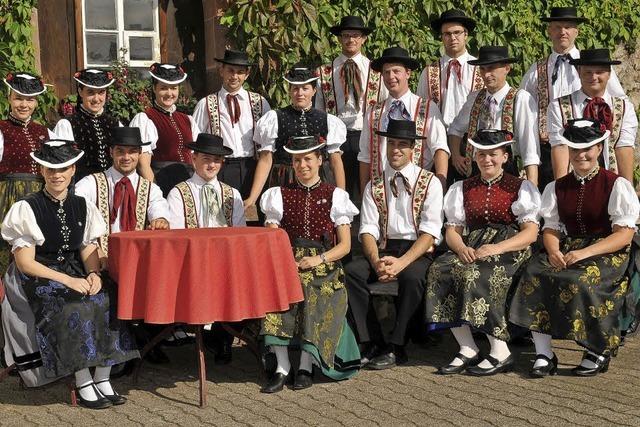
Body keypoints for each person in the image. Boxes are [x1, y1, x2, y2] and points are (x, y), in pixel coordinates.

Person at [0, 140, 139, 409]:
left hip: (73, 270)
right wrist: (68, 280)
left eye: (63, 168)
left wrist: (95, 274)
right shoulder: (27, 208)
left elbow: (88, 247)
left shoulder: (83, 205)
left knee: (110, 297)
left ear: (73, 169)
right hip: (38, 276)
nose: (57, 175)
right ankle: (83, 379)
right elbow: (25, 262)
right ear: (41, 171)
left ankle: (103, 376)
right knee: (73, 305)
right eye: (50, 169)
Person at [509, 119, 640, 377]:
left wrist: (584, 253)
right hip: (569, 247)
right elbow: (551, 228)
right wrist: (554, 251)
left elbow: (624, 235)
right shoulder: (556, 187)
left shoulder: (616, 184)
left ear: (599, 149)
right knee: (534, 273)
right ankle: (544, 353)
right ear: (568, 151)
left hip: (607, 250)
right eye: (575, 149)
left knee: (581, 280)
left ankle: (597, 349)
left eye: (587, 148)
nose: (581, 154)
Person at [425, 129, 540, 376]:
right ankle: (467, 348)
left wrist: (497, 248)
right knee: (440, 270)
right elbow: (452, 231)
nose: (487, 159)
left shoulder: (521, 187)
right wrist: (461, 248)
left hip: (511, 248)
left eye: (493, 154)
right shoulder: (461, 188)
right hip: (473, 246)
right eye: (481, 154)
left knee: (477, 274)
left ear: (505, 157)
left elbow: (530, 233)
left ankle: (501, 351)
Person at [258, 135, 360, 393]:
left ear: (320, 160)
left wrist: (318, 259)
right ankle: (283, 367)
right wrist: (285, 260)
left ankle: (305, 364)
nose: (302, 165)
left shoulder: (335, 196)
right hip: (286, 258)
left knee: (311, 289)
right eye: (297, 160)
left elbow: (345, 246)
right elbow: (271, 237)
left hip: (323, 262)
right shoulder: (278, 195)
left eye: (307, 159)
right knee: (274, 289)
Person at [346, 119, 444, 370]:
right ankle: (372, 340)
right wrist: (375, 261)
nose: (396, 149)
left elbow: (430, 232)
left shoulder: (430, 182)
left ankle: (397, 345)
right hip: (383, 249)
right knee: (353, 272)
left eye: (402, 144)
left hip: (417, 251)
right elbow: (367, 229)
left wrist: (400, 264)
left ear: (413, 149)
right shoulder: (374, 185)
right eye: (392, 143)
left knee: (413, 277)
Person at [75, 127, 172, 363]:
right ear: (111, 152)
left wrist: (160, 219)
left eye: (132, 152)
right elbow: (77, 209)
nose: (126, 157)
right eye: (120, 151)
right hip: (102, 262)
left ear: (139, 154)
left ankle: (147, 340)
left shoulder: (150, 189)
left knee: (163, 282)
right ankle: (119, 350)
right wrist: (96, 255)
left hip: (137, 265)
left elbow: (159, 207)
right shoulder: (91, 183)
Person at [520, 6, 627, 190]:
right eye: (557, 27)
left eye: (568, 27)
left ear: (576, 31)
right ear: (549, 31)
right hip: (551, 150)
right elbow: (524, 107)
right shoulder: (535, 71)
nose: (563, 32)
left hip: (590, 148)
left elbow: (618, 101)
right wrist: (539, 129)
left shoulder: (592, 66)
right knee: (556, 201)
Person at [166, 133, 246, 364]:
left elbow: (239, 235)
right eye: (206, 158)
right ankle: (209, 334)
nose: (211, 164)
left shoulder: (232, 194)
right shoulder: (179, 193)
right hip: (192, 264)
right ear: (194, 159)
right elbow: (176, 238)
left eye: (217, 160)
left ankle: (223, 336)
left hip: (226, 262)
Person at [251, 67, 347, 209]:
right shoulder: (274, 118)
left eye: (305, 88)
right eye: (295, 88)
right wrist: (252, 198)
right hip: (285, 179)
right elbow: (265, 159)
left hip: (319, 178)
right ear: (289, 90)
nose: (300, 93)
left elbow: (335, 161)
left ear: (314, 91)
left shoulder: (328, 121)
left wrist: (342, 196)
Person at [315, 15, 387, 201]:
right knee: (338, 190)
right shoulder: (324, 72)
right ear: (339, 38)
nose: (351, 40)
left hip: (366, 134)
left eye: (356, 35)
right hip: (336, 137)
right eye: (346, 35)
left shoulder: (376, 71)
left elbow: (384, 104)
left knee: (367, 189)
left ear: (363, 39)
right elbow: (320, 108)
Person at [358, 47, 449, 190]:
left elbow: (440, 148)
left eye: (396, 71)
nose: (390, 77)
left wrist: (440, 187)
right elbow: (365, 156)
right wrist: (364, 192)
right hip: (381, 188)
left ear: (408, 73)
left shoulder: (427, 108)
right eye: (386, 72)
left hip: (417, 187)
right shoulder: (373, 112)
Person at [448, 46, 540, 186]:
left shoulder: (520, 98)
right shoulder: (475, 98)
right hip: (476, 171)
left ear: (507, 69)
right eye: (483, 69)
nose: (486, 74)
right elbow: (455, 129)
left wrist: (532, 185)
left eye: (491, 68)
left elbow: (529, 146)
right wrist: (455, 155)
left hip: (508, 171)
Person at [547, 49, 637, 183]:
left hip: (611, 181)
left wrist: (627, 190)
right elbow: (560, 147)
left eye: (599, 72)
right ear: (579, 72)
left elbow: (624, 147)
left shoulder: (624, 107)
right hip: (575, 181)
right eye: (588, 72)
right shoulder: (558, 106)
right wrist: (561, 190)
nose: (593, 77)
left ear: (609, 74)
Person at [192, 50, 270, 203]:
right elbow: (196, 140)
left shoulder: (259, 103)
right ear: (221, 71)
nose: (234, 76)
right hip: (221, 167)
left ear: (247, 74)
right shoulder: (206, 104)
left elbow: (267, 143)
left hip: (252, 168)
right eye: (230, 71)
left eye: (240, 72)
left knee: (254, 218)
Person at [0, 72, 56, 274]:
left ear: (36, 102)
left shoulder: (46, 132)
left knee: (39, 251)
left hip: (39, 199)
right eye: (18, 98)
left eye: (29, 99)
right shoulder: (2, 129)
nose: (24, 104)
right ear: (9, 98)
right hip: (8, 198)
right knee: (8, 252)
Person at [53, 69, 141, 181]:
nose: (96, 99)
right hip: (80, 188)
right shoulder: (67, 124)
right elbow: (61, 165)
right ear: (80, 92)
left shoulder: (115, 123)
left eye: (101, 92)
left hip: (112, 188)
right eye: (90, 92)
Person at [130, 63, 200, 194]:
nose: (169, 93)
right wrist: (155, 194)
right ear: (154, 88)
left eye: (173, 88)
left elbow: (195, 159)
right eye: (163, 88)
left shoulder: (188, 120)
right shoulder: (145, 119)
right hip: (162, 182)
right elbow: (143, 164)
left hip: (189, 185)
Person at [416, 9, 483, 128]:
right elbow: (421, 111)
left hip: (473, 138)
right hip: (439, 139)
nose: (452, 38)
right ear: (442, 37)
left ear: (466, 34)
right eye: (447, 34)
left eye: (457, 32)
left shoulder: (480, 68)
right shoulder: (428, 72)